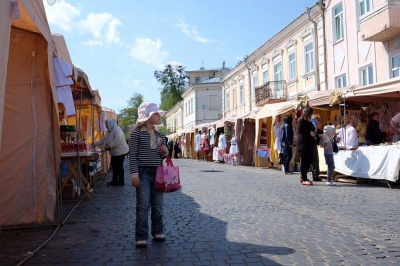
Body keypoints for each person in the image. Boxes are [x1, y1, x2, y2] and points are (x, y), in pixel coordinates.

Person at [129, 102, 169, 248]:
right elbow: (132, 155)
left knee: (158, 205)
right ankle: (141, 235)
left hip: (158, 172)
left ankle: (158, 231)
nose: (159, 116)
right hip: (143, 173)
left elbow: (163, 156)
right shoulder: (136, 134)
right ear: (148, 116)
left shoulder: (160, 135)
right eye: (156, 114)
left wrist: (165, 152)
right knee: (143, 204)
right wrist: (134, 175)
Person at [94, 119, 129, 186]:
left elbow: (118, 138)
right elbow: (103, 140)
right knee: (114, 166)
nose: (106, 126)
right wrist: (93, 143)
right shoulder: (109, 131)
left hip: (120, 151)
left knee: (119, 166)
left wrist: (110, 145)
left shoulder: (117, 129)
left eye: (107, 125)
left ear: (110, 124)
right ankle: (114, 181)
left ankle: (121, 182)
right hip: (114, 152)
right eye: (106, 125)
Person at [296, 107, 316, 186]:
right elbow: (300, 130)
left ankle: (303, 176)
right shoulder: (301, 121)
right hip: (303, 143)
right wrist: (309, 132)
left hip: (309, 144)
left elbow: (313, 129)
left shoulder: (309, 121)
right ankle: (303, 178)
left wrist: (314, 131)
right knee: (304, 161)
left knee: (310, 160)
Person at [311, 114, 323, 182]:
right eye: (316, 120)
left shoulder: (319, 130)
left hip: (315, 144)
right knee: (313, 160)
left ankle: (316, 175)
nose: (318, 122)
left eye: (318, 120)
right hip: (312, 144)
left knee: (315, 161)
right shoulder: (312, 126)